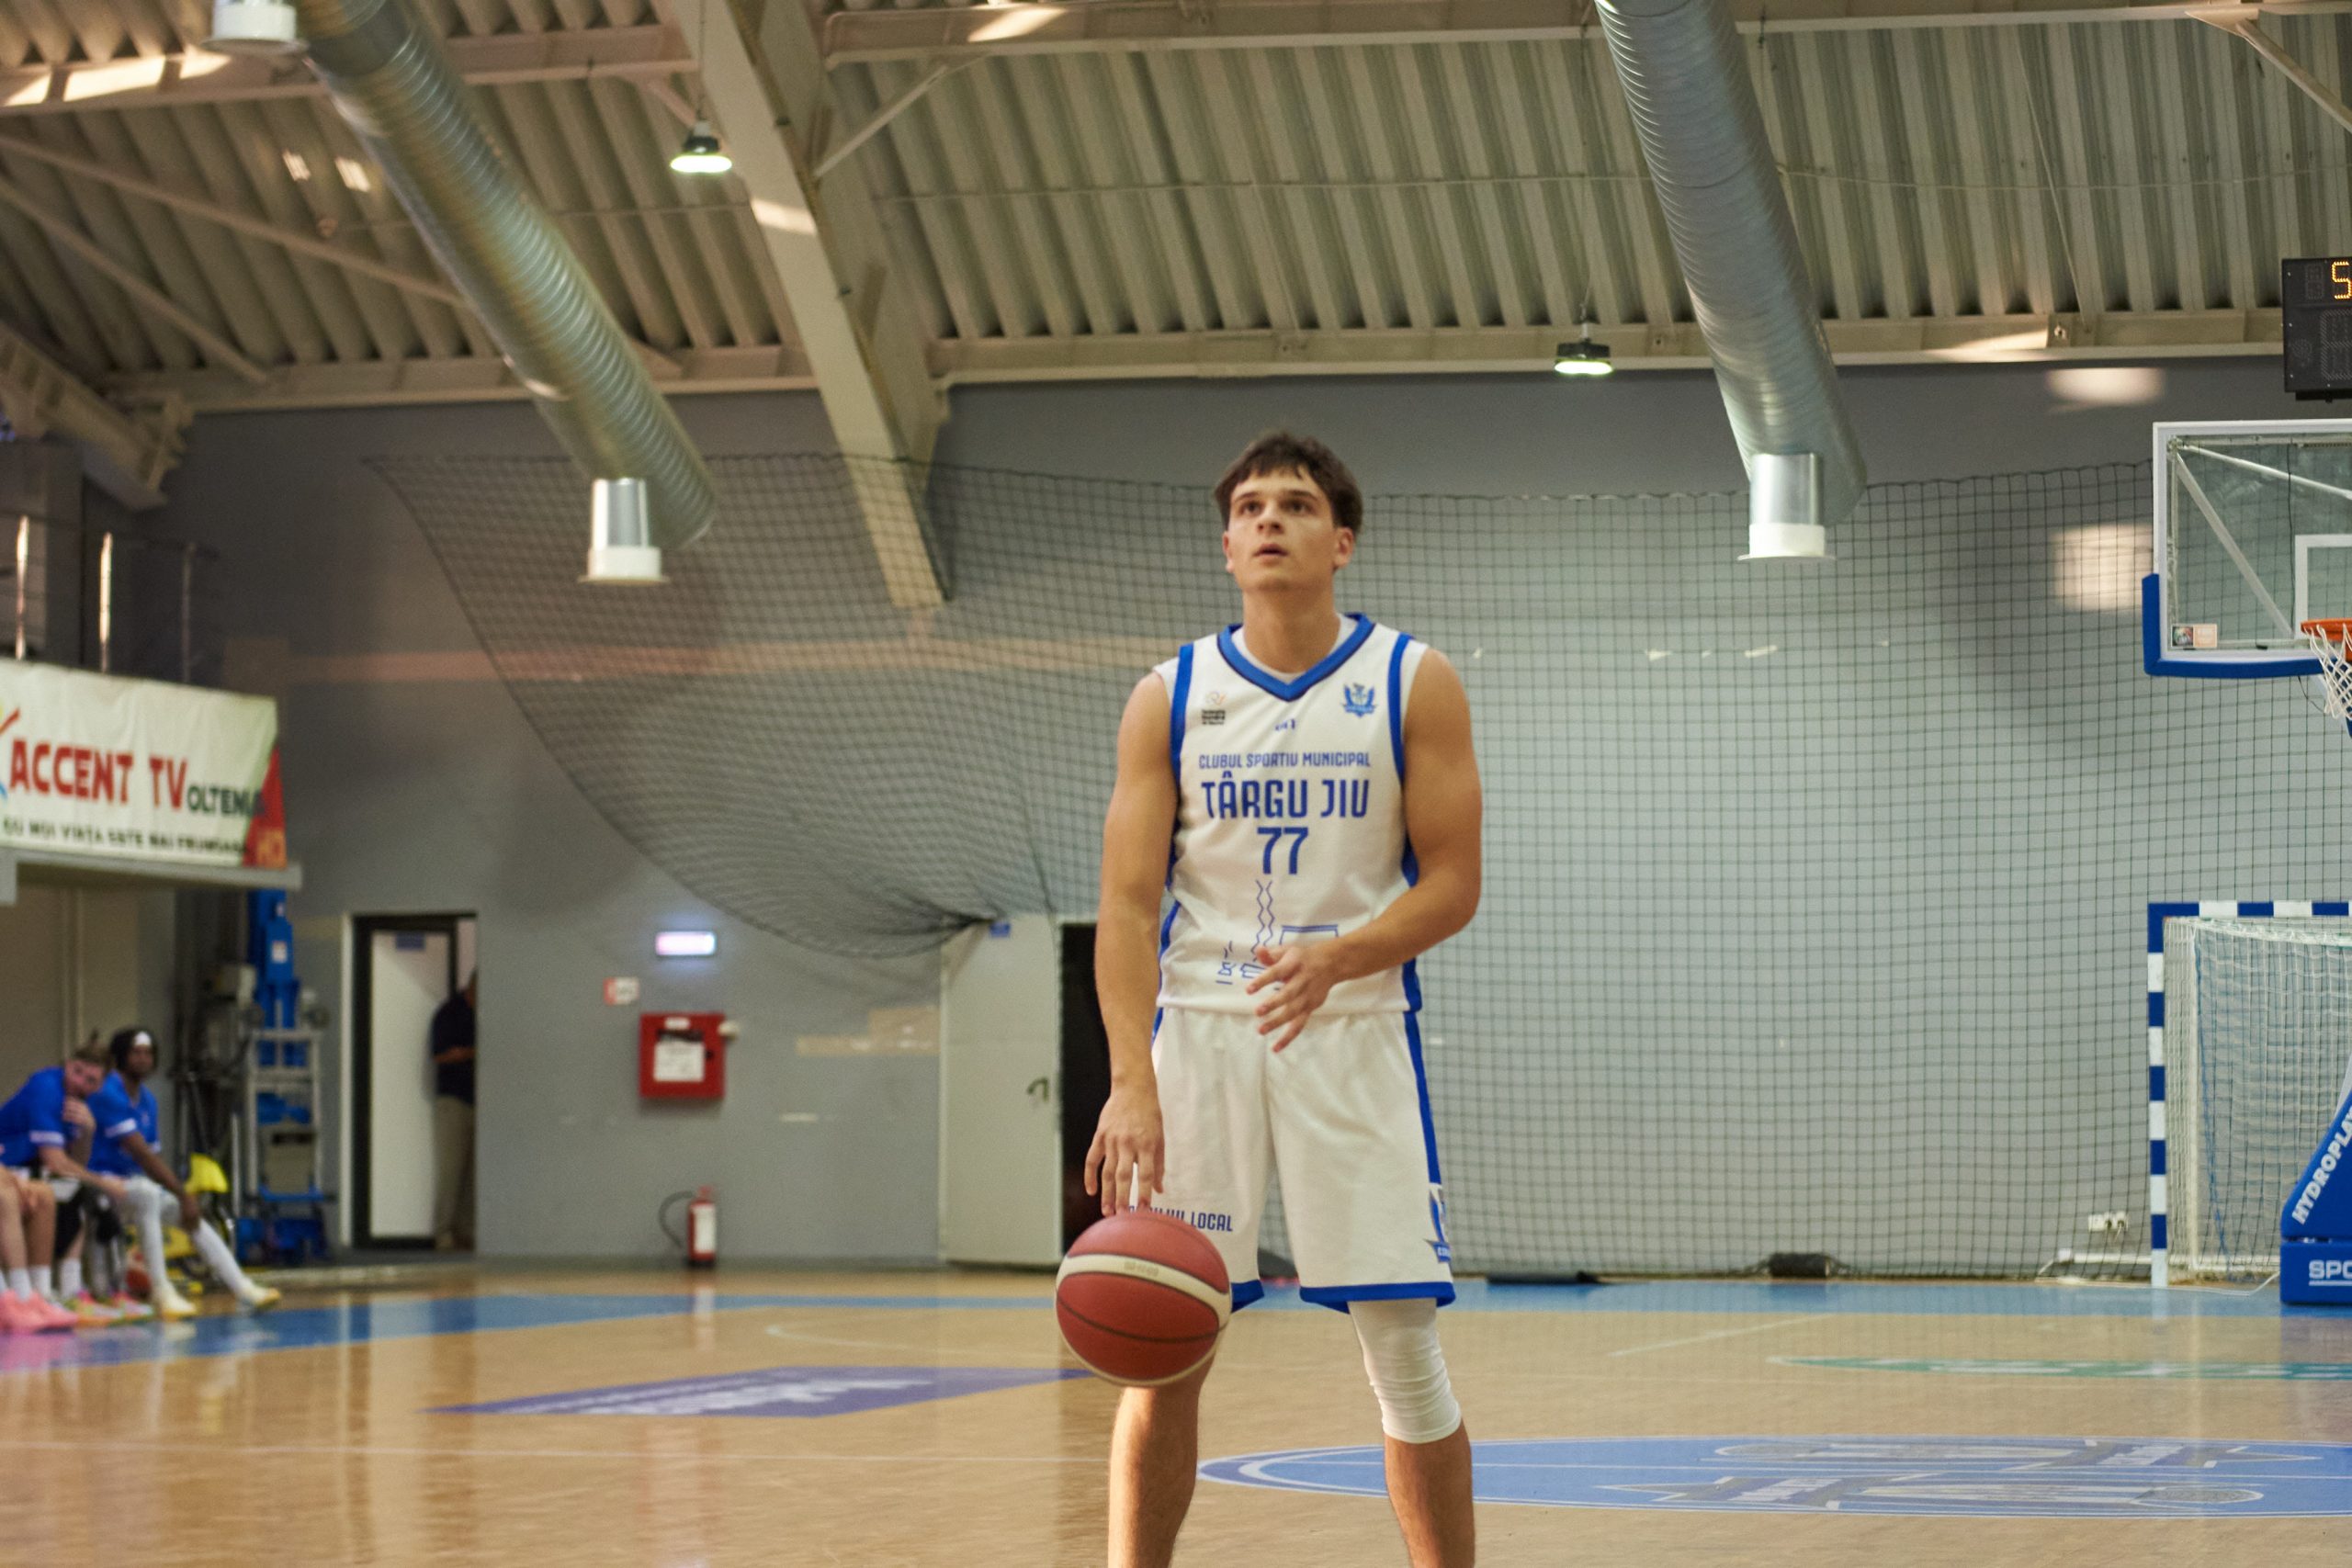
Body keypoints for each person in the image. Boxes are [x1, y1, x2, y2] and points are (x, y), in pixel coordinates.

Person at [1086, 433, 1484, 1567]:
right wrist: (1130, 1084)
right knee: (1164, 1348)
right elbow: (1125, 907)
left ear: (1340, 542)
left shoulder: (1411, 679)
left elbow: (1454, 884)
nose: (1270, 520)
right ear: (1225, 546)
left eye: (1297, 505)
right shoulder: (1168, 695)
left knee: (1404, 1355)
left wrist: (1341, 957)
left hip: (1349, 1031)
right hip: (1199, 1040)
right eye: (1251, 507)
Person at [86, 1027, 278, 1316]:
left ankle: (243, 1288)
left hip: (129, 1185)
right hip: (96, 1182)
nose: (143, 1059)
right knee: (150, 1195)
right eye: (136, 1052)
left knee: (189, 1214)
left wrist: (181, 1198)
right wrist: (182, 1192)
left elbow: (155, 1156)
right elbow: (141, 1153)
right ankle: (162, 1291)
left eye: (148, 1053)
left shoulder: (147, 1099)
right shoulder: (108, 1092)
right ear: (120, 1055)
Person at [0, 1041, 124, 1331]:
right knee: (82, 1192)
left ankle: (38, 1295)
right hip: (17, 1164)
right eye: (77, 1072)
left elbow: (74, 1162)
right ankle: (48, 1293)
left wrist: (87, 1132)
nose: (79, 1081)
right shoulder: (47, 1087)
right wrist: (106, 1184)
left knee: (53, 1192)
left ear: (99, 1086)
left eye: (90, 1079)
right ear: (67, 1064)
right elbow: (56, 1162)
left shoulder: (76, 1103)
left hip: (22, 1170)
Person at [429, 974, 477, 1250]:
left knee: (473, 1173)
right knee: (451, 1170)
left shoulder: (483, 1015)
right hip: (454, 1101)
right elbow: (441, 1054)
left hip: (478, 1101)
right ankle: (443, 1231)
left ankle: (466, 1230)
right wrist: (471, 1052)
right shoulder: (449, 1013)